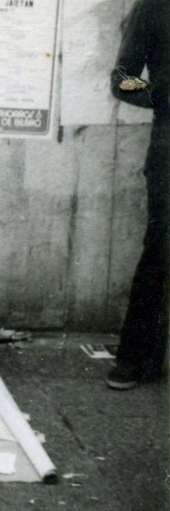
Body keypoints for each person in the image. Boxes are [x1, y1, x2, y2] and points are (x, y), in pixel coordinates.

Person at [105, 0, 168, 390]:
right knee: (160, 252)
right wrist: (161, 93)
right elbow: (122, 78)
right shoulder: (154, 7)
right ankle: (135, 356)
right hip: (169, 147)